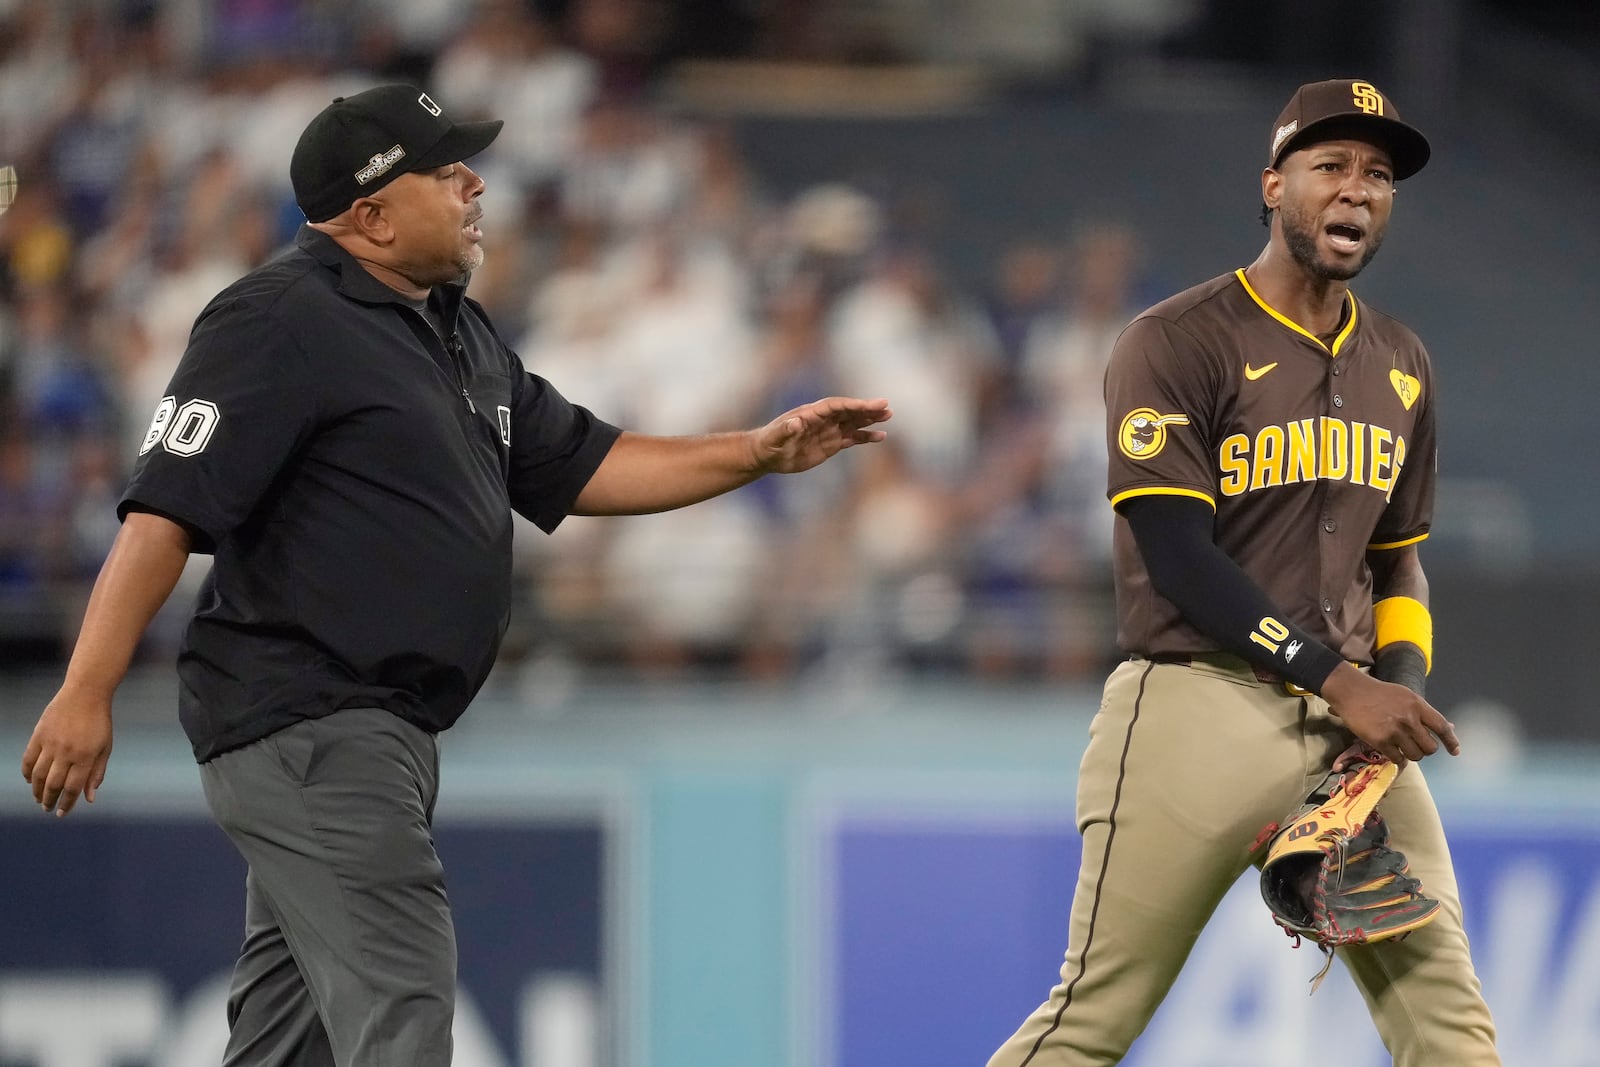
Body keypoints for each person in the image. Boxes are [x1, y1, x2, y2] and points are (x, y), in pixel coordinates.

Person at [19, 84, 891, 1066]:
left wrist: (756, 453)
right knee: (403, 1008)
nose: (475, 182)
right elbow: (165, 508)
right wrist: (86, 686)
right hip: (309, 715)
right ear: (371, 215)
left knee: (290, 1036)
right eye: (443, 169)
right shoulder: (276, 315)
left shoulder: (458, 332)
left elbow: (585, 465)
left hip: (368, 726)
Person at [986, 78, 1499, 1065]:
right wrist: (1340, 681)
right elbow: (1175, 555)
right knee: (1090, 1019)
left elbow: (1400, 561)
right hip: (1197, 700)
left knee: (1453, 1033)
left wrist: (1398, 697)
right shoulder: (1176, 339)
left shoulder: (1401, 359)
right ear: (1272, 185)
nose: (1357, 190)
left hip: (1351, 728)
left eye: (1379, 175)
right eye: (1331, 166)